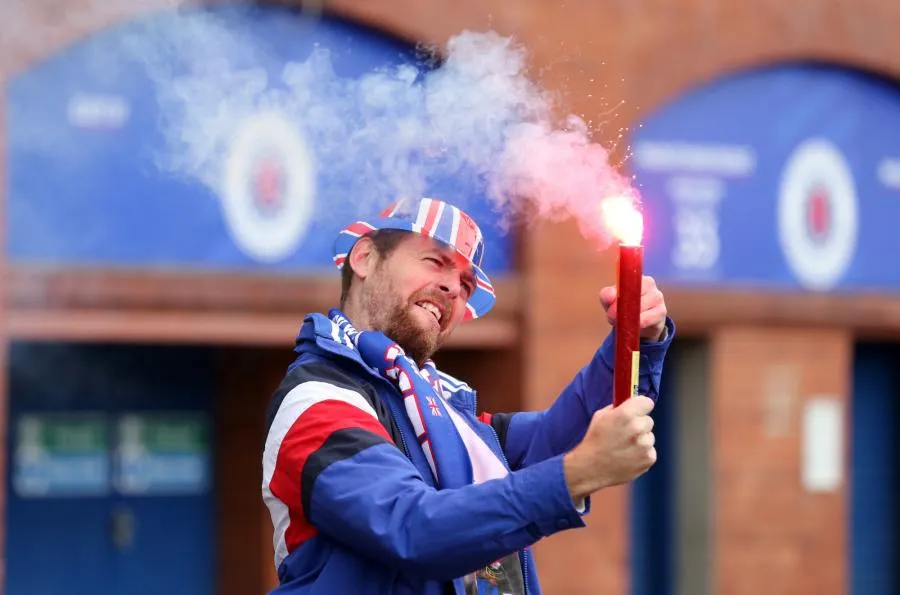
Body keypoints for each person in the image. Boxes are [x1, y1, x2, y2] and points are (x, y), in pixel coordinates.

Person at [262, 197, 675, 595]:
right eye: (434, 261)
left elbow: (567, 432)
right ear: (365, 258)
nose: (452, 288)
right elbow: (413, 529)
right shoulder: (318, 399)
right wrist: (578, 473)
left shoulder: (442, 412)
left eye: (466, 282)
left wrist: (635, 339)